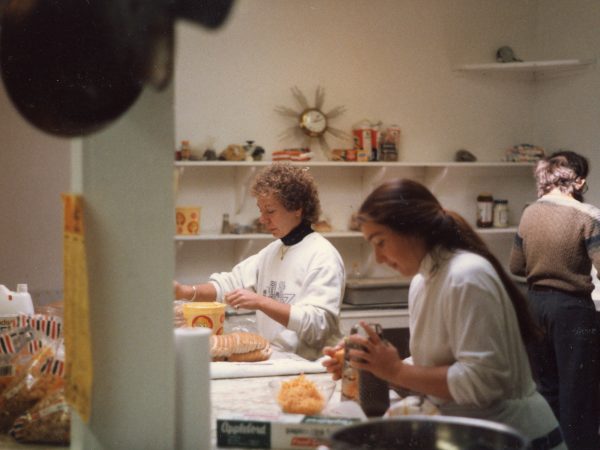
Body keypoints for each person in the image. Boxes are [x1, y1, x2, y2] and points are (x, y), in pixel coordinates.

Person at [322, 178, 565, 449]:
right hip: (466, 434)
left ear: (413, 229)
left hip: (515, 437)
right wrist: (371, 363)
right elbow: (436, 365)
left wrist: (395, 370)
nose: (377, 258)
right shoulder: (422, 282)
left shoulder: (466, 275)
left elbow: (484, 382)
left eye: (380, 242)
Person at [174, 163, 345, 360]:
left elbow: (319, 325)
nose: (262, 219)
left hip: (310, 368)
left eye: (270, 211)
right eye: (261, 210)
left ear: (297, 209)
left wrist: (261, 302)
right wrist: (184, 292)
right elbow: (229, 284)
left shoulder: (322, 256)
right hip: (277, 361)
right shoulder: (272, 252)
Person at [510, 150, 600, 450]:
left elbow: (515, 267)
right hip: (573, 311)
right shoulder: (588, 216)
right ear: (579, 181)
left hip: (534, 306)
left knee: (546, 388)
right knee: (579, 393)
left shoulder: (528, 212)